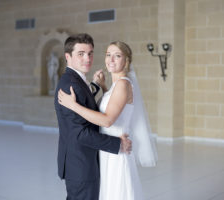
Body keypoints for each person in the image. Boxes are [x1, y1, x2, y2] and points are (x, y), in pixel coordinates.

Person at [58, 41, 158, 200]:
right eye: (108, 55)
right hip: (106, 150)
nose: (111, 59)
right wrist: (103, 87)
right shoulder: (115, 86)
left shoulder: (123, 84)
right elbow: (114, 106)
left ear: (126, 61)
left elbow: (107, 120)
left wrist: (73, 105)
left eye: (117, 56)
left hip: (116, 152)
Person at [54, 34, 132, 200]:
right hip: (80, 164)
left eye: (90, 53)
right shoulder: (70, 84)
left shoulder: (77, 80)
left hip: (85, 160)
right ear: (68, 57)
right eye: (81, 54)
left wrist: (97, 86)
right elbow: (79, 133)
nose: (87, 58)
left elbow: (86, 104)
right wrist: (117, 144)